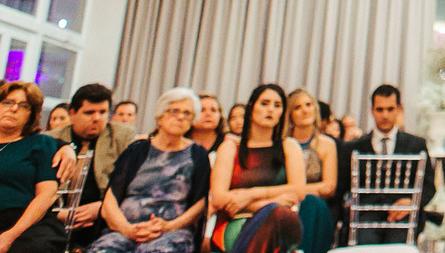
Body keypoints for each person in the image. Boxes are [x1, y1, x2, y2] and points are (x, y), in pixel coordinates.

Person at [88, 89, 211, 253]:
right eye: (174, 111)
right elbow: (110, 200)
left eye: (187, 113)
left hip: (172, 232)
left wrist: (169, 226)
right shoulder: (137, 150)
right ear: (160, 116)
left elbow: (200, 204)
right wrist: (126, 229)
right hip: (125, 229)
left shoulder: (198, 155)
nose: (181, 117)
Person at [209, 84, 304, 253]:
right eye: (264, 103)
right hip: (238, 222)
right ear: (251, 108)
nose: (271, 110)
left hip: (279, 222)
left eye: (277, 105)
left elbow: (298, 191)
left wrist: (249, 196)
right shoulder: (230, 148)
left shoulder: (289, 146)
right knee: (279, 214)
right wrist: (274, 201)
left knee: (281, 216)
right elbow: (218, 198)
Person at [339, 85, 435, 243]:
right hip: (365, 215)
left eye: (390, 109)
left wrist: (411, 202)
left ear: (399, 109)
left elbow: (429, 186)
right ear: (372, 111)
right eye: (380, 109)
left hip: (403, 215)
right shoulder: (354, 148)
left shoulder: (416, 145)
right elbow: (342, 187)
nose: (385, 115)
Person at [46, 83, 137, 248]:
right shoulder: (51, 139)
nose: (97, 118)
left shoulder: (123, 137)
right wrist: (57, 214)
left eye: (102, 112)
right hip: (57, 216)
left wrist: (103, 207)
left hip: (103, 218)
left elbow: (133, 185)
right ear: (72, 114)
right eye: (89, 112)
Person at [0, 81, 68, 253]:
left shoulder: (41, 143)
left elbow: (47, 195)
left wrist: (10, 235)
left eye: (24, 106)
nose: (13, 109)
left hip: (27, 223)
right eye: (7, 102)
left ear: (31, 114)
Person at [283, 89, 335, 253]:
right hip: (284, 202)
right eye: (297, 107)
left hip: (315, 206)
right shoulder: (282, 143)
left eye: (308, 105)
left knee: (312, 203)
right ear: (290, 114)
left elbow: (328, 188)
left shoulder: (327, 144)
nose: (305, 110)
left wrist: (296, 190)